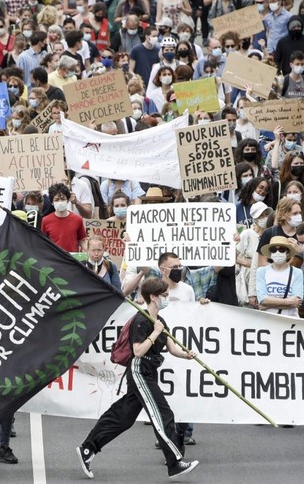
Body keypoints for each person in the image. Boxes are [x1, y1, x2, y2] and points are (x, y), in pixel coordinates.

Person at [77, 277, 200, 480]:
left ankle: (88, 448)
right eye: (164, 296)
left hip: (151, 370)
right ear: (152, 297)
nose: (167, 299)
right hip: (140, 370)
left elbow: (171, 348)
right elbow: (138, 350)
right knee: (163, 414)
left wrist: (185, 354)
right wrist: (155, 333)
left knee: (122, 417)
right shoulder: (141, 320)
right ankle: (175, 463)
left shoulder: (160, 320)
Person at [257, 236, 304, 317]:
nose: (277, 253)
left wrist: (268, 305)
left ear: (288, 253)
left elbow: (297, 301)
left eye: (282, 249)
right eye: (273, 250)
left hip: (291, 321)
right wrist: (289, 302)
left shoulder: (297, 272)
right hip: (268, 320)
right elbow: (263, 299)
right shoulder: (262, 271)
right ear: (270, 253)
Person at [41, 183, 87, 252]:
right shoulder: (46, 220)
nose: (60, 202)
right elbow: (43, 242)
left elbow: (82, 240)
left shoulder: (77, 219)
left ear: (67, 200)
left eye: (63, 199)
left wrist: (90, 251)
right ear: (52, 202)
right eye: (56, 200)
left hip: (72, 259)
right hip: (55, 259)